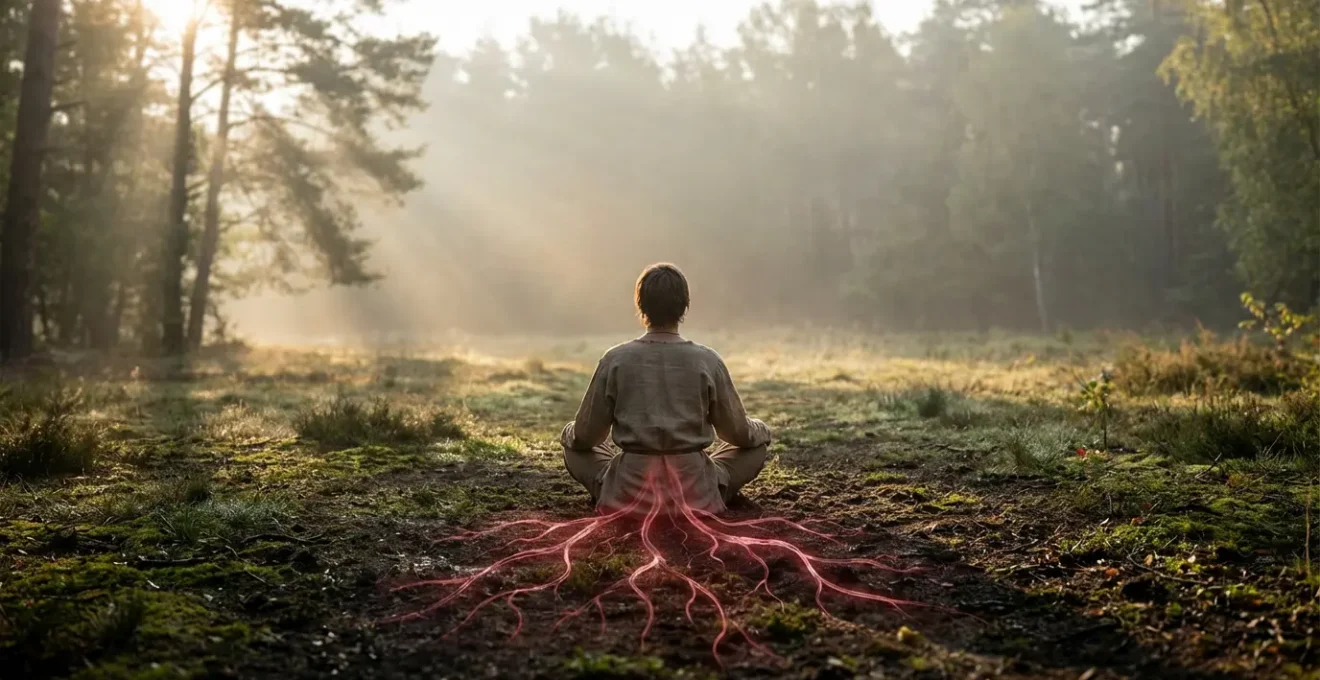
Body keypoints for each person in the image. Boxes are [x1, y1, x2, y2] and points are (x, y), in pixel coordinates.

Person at [561, 263, 772, 514]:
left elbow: (586, 437)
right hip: (694, 491)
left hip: (629, 491)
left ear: (641, 305)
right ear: (684, 306)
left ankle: (611, 493)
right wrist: (762, 429)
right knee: (755, 449)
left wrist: (567, 433)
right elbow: (737, 433)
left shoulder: (614, 360)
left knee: (575, 449)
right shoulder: (707, 360)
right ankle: (712, 492)